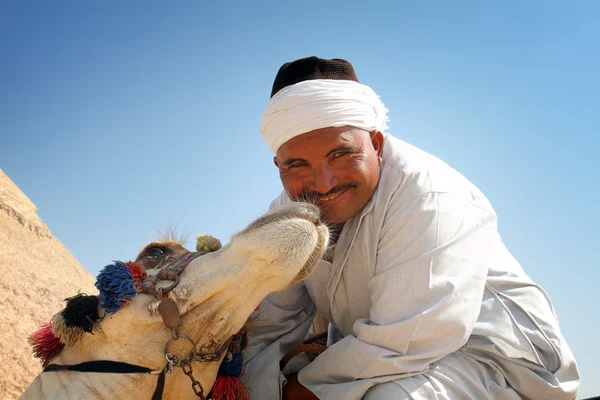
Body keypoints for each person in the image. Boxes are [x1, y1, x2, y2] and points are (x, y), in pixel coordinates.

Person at [242, 56, 579, 399]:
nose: (323, 183)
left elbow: (410, 340)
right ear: (278, 165)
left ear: (375, 143)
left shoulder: (428, 195)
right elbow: (270, 323)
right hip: (378, 358)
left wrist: (298, 391)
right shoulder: (288, 212)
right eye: (298, 164)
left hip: (498, 364)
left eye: (340, 155)